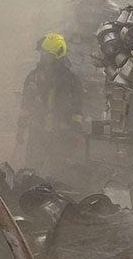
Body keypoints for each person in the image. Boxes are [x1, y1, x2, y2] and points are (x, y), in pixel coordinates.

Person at [17, 33, 84, 173]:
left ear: (57, 56)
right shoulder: (34, 77)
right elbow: (26, 105)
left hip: (61, 136)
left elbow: (77, 106)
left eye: (46, 55)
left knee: (59, 173)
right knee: (31, 171)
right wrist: (21, 128)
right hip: (37, 134)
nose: (43, 58)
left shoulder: (71, 80)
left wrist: (76, 125)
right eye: (42, 54)